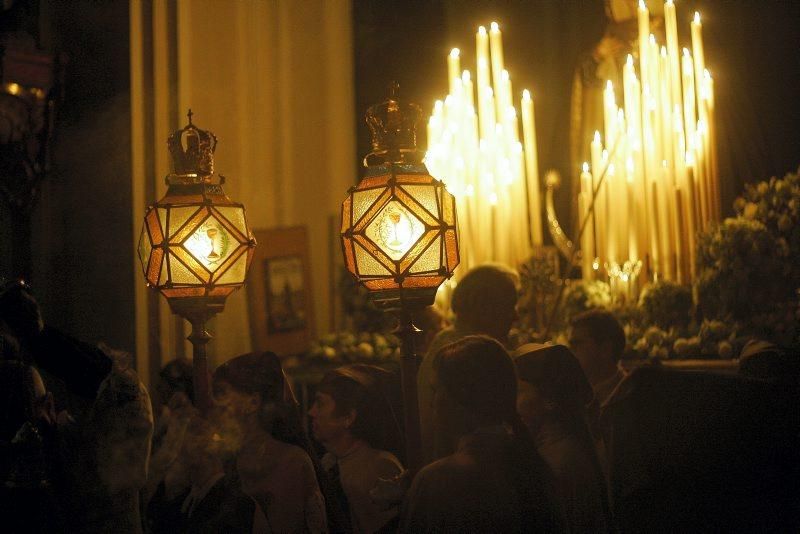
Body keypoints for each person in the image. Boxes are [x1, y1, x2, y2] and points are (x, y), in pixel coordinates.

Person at [401, 335, 565, 533]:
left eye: (436, 390)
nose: (432, 402)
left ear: (461, 395)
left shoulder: (441, 480)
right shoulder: (535, 467)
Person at [212, 351, 327, 533]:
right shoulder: (227, 456)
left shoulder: (291, 462)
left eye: (222, 394)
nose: (216, 404)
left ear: (253, 402)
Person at [417, 264, 519, 462]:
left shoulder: (453, 343)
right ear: (484, 308)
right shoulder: (465, 355)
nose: (516, 316)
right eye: (509, 305)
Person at [514, 343, 611, 533]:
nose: (512, 403)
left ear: (549, 400)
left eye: (519, 392)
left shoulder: (557, 463)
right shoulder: (565, 450)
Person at [309, 364, 405, 533]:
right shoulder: (328, 462)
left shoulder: (379, 466)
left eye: (321, 403)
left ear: (348, 417)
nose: (312, 412)